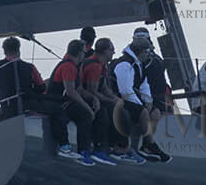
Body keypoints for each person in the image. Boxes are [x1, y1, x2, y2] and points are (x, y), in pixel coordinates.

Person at [45, 39, 97, 166]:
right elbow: (70, 92)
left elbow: (78, 89)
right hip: (58, 102)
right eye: (84, 52)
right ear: (79, 53)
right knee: (85, 114)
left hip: (63, 102)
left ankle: (90, 148)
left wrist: (93, 98)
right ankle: (81, 151)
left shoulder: (73, 66)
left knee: (87, 109)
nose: (85, 55)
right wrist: (88, 109)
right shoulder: (68, 66)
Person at [109, 29, 156, 164]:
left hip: (120, 98)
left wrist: (148, 101)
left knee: (153, 112)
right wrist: (141, 106)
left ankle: (147, 145)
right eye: (147, 52)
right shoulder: (125, 64)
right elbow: (125, 91)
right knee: (136, 112)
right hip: (117, 99)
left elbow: (143, 83)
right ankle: (124, 148)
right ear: (141, 51)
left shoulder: (139, 63)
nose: (148, 55)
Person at [80, 34, 119, 165]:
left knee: (115, 107)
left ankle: (114, 147)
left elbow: (103, 87)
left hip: (90, 96)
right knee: (103, 114)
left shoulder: (101, 64)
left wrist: (115, 99)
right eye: (112, 49)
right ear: (106, 51)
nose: (114, 52)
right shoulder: (95, 66)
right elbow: (93, 91)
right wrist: (111, 101)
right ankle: (100, 149)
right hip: (84, 97)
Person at [139, 37, 174, 163]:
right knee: (148, 112)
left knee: (156, 113)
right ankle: (148, 144)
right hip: (147, 96)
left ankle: (147, 144)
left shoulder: (154, 59)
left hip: (156, 96)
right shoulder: (142, 61)